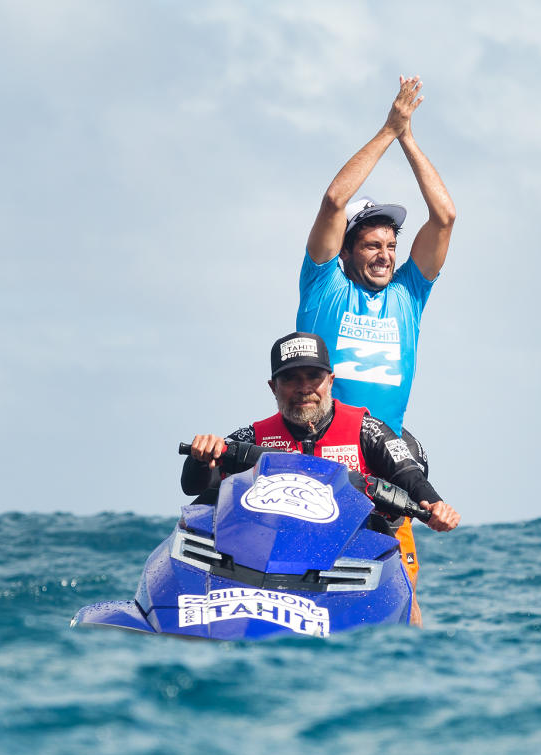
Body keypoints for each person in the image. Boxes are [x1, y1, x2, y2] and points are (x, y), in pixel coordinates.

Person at [182, 333, 460, 626]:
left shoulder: (367, 430)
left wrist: (437, 505)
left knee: (406, 595)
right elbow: (196, 486)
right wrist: (201, 456)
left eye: (313, 377)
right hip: (280, 555)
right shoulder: (252, 438)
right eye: (290, 379)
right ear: (272, 387)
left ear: (330, 380)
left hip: (365, 548)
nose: (304, 389)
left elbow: (408, 473)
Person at [297, 75, 456, 438]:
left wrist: (408, 139)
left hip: (385, 454)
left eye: (390, 246)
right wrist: (388, 131)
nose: (385, 256)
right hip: (321, 447)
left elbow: (444, 217)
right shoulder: (323, 285)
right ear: (346, 251)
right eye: (372, 246)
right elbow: (335, 201)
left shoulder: (408, 294)